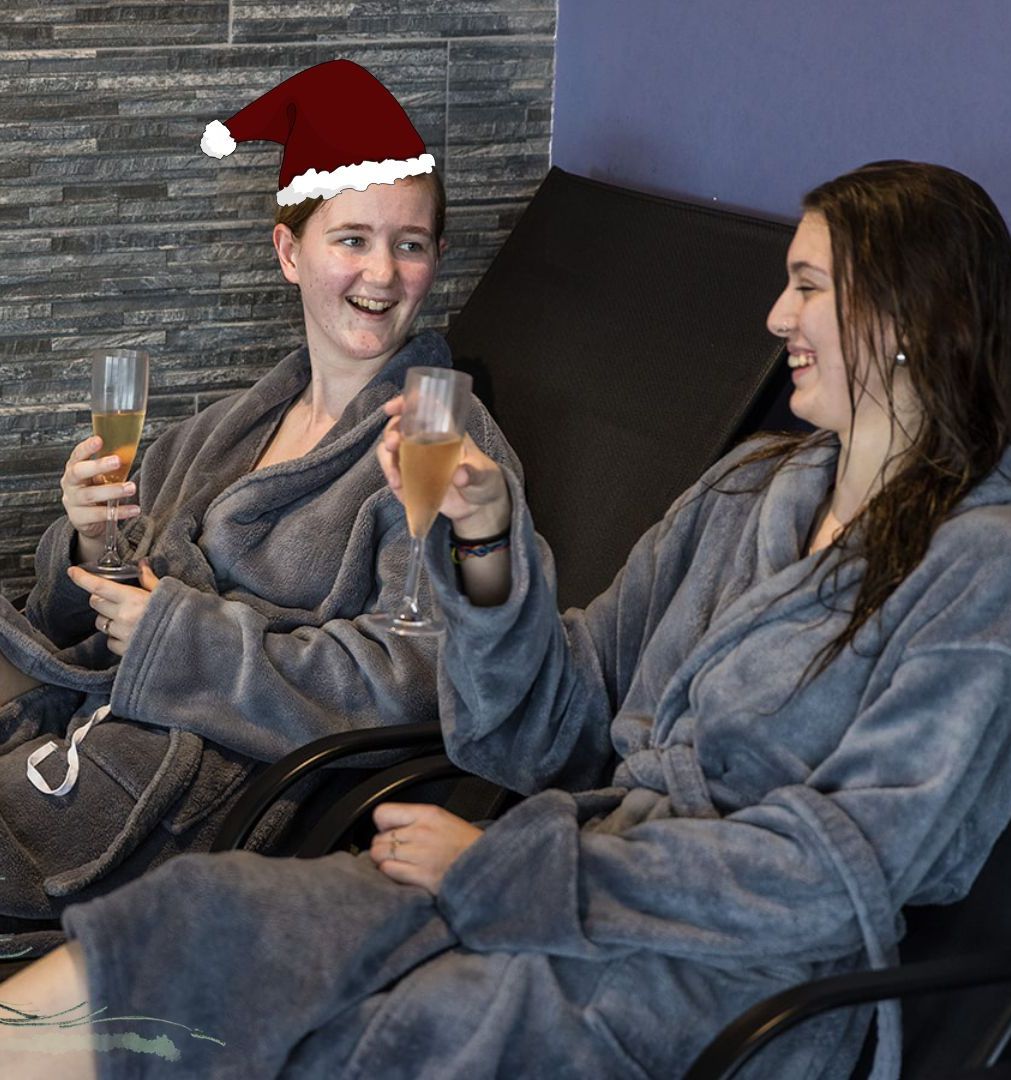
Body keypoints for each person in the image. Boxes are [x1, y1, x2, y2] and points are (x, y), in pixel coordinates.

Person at [4, 160, 1011, 1080]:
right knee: (206, 920)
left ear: (905, 313)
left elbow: (846, 871)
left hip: (726, 971)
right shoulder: (748, 493)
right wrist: (485, 543)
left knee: (389, 1032)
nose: (775, 315)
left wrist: (511, 868)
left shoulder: (979, 567)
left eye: (808, 285)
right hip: (551, 875)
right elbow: (559, 723)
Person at [0, 63, 519, 953]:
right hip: (108, 703)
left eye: (411, 244)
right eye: (351, 239)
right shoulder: (236, 422)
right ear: (290, 252)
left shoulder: (444, 444)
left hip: (217, 771)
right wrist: (96, 536)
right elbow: (121, 589)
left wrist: (184, 639)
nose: (382, 274)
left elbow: (423, 671)